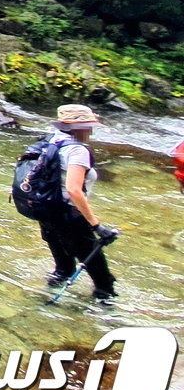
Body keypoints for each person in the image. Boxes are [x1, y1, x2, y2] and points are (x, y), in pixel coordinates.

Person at [34, 104, 119, 303]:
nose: (91, 131)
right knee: (103, 280)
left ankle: (41, 300)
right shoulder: (77, 150)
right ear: (80, 128)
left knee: (63, 269)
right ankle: (106, 312)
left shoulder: (52, 140)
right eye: (89, 126)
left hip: (45, 209)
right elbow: (74, 189)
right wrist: (96, 224)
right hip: (68, 213)